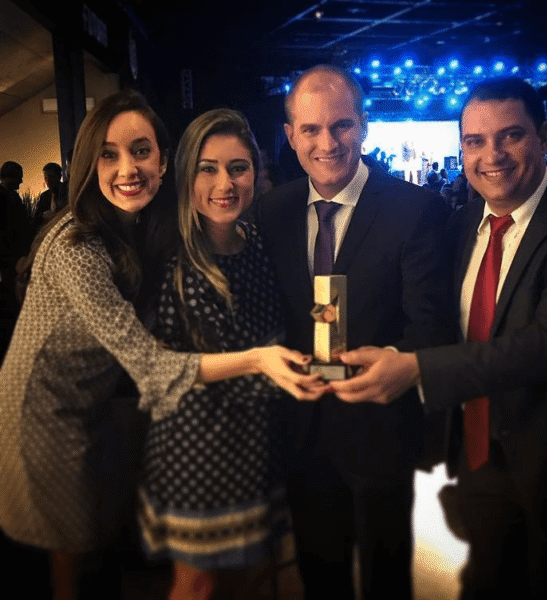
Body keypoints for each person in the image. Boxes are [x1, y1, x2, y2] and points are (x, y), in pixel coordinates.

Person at [0, 91, 321, 600]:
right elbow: (153, 365)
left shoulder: (158, 228)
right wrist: (261, 361)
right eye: (108, 154)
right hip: (50, 408)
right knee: (73, 550)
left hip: (119, 404)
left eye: (141, 151)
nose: (128, 168)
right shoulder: (84, 245)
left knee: (110, 550)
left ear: (164, 161)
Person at [330, 77, 547, 598]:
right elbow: (433, 319)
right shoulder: (459, 225)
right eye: (475, 141)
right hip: (477, 458)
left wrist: (416, 369)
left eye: (510, 136)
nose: (491, 156)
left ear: (544, 137)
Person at [257, 64, 451, 600]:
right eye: (311, 129)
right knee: (320, 578)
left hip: (379, 429)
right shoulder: (272, 211)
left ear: (363, 125)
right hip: (301, 429)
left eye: (341, 125)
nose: (327, 143)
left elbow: (431, 326)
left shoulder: (414, 210)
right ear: (290, 134)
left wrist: (394, 361)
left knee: (387, 578)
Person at [137, 108, 325, 600]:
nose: (225, 183)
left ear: (256, 173)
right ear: (186, 175)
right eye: (208, 168)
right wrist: (264, 361)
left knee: (254, 577)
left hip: (260, 440)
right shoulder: (172, 256)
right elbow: (162, 368)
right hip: (197, 445)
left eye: (238, 168)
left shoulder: (256, 240)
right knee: (197, 585)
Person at [0, 160, 33, 357]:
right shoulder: (5, 198)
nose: (21, 182)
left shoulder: (12, 196)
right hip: (8, 259)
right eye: (19, 178)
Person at [32, 162, 68, 232]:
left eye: (51, 177)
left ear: (59, 176)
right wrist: (43, 216)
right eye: (46, 177)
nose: (48, 180)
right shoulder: (44, 196)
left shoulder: (67, 190)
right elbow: (37, 217)